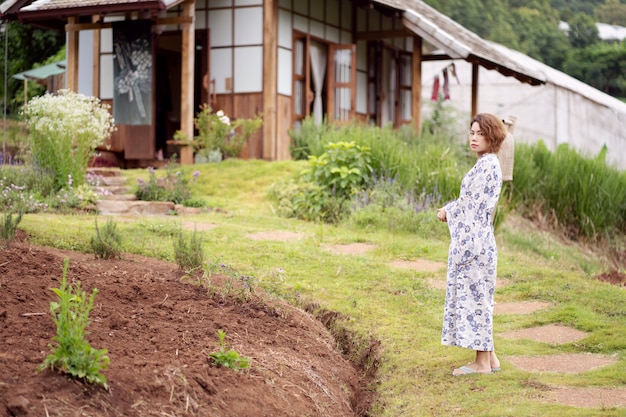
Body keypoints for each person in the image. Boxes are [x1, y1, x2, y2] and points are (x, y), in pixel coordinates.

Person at [436, 113, 507, 376]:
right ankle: (492, 359)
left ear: (492, 136)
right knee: (481, 299)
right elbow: (468, 202)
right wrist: (451, 208)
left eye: (480, 133)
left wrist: (448, 212)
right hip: (478, 240)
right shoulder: (485, 164)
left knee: (478, 300)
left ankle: (481, 364)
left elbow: (472, 208)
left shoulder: (488, 165)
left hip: (475, 244)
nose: (475, 138)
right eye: (472, 133)